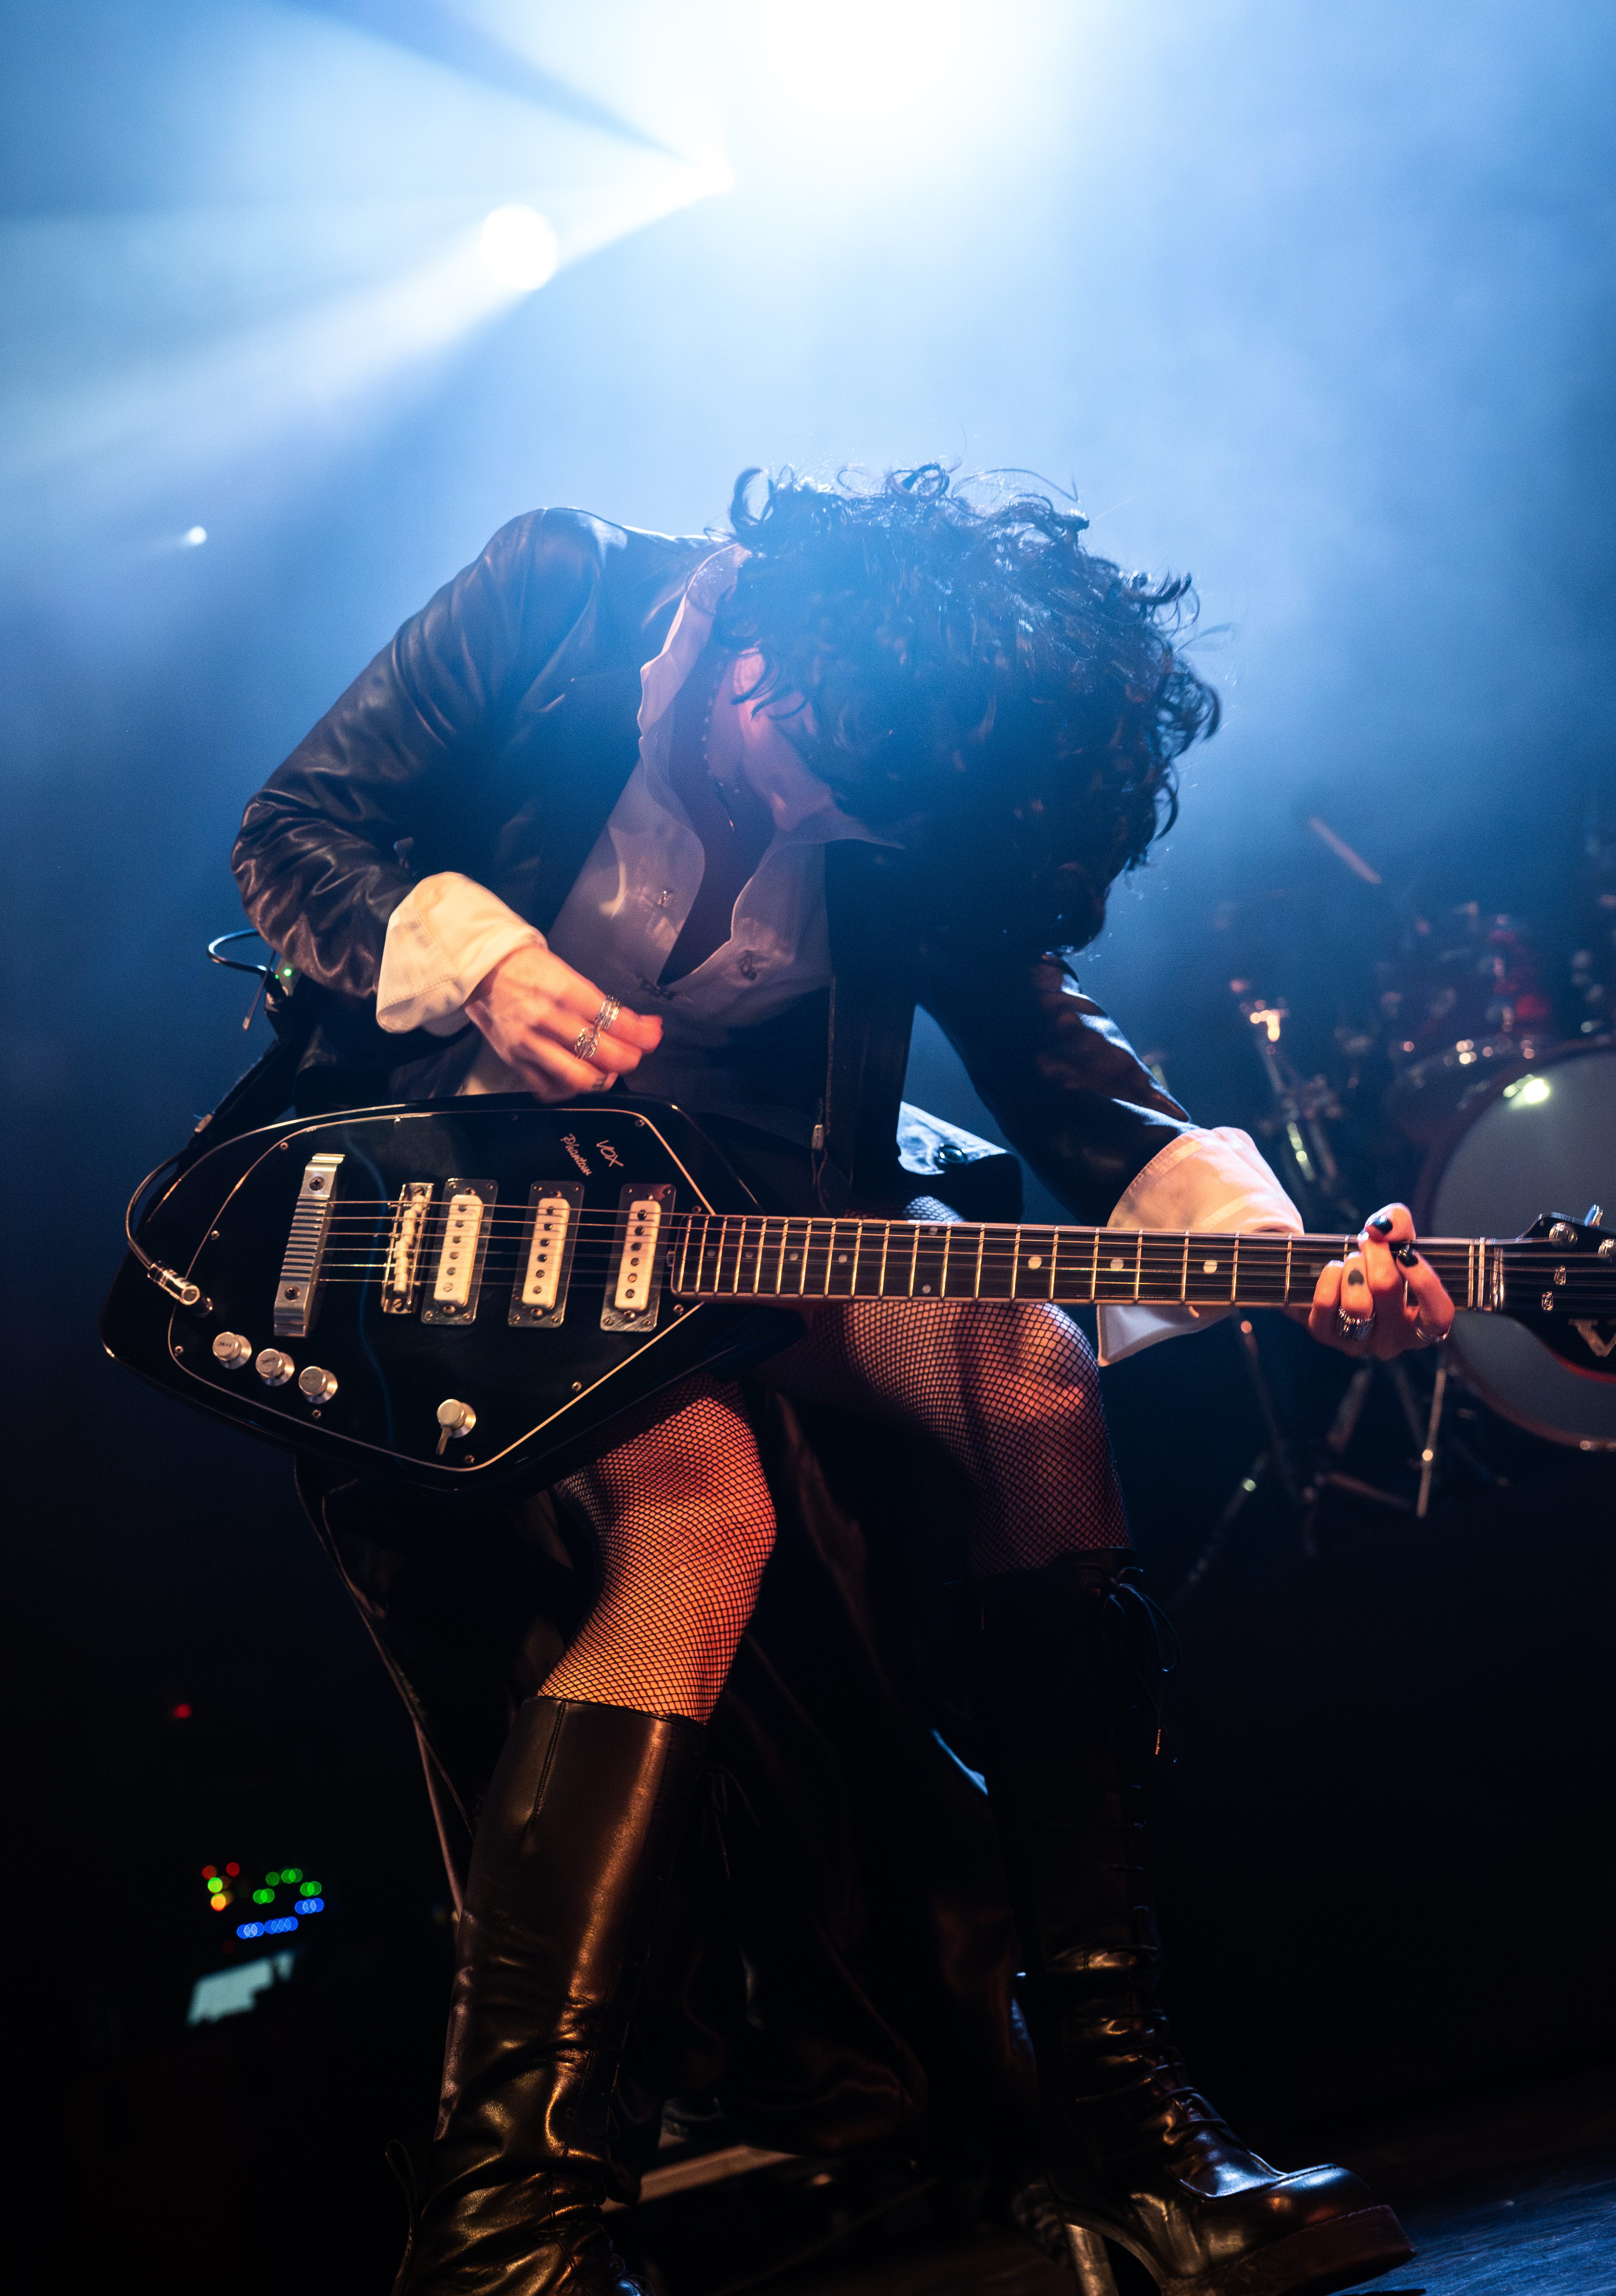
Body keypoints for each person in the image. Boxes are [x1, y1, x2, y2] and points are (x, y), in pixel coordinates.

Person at [232, 468, 1452, 2296]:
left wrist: (1299, 1282)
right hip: (442, 1207)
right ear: (768, 637)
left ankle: (1130, 2135)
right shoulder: (562, 595)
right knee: (704, 1513)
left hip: (734, 1223)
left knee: (1036, 1374)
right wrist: (480, 960)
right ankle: (508, 2239)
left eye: (851, 809)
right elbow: (294, 834)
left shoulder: (907, 780)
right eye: (795, 757)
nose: (797, 808)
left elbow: (1049, 1052)